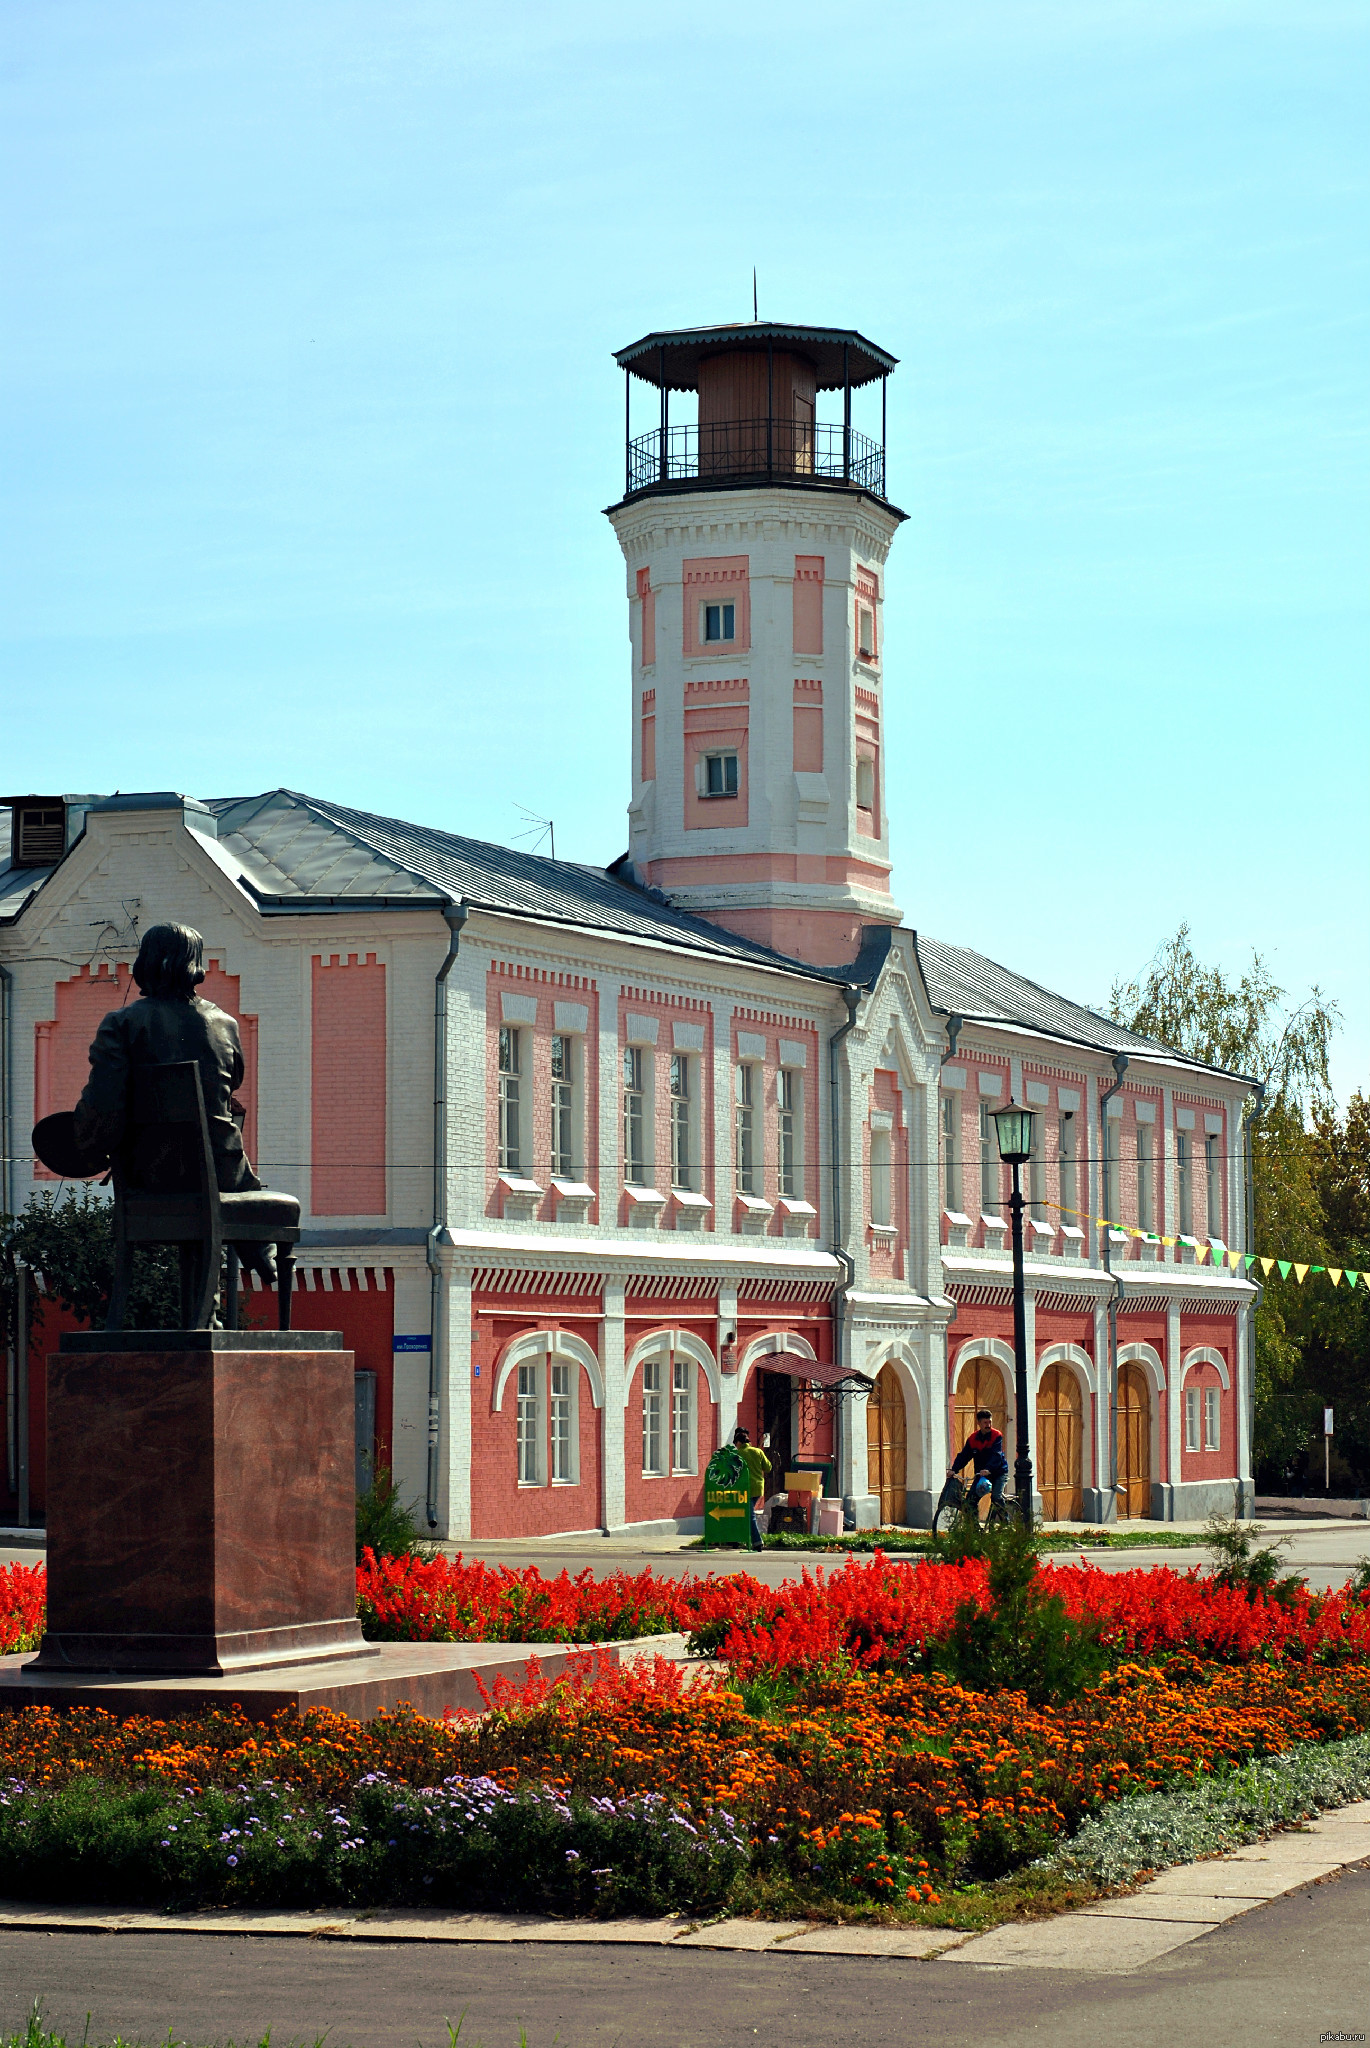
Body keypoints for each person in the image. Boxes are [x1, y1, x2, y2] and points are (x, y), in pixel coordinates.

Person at [73, 922, 288, 1284]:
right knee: (236, 1174)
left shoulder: (121, 1024)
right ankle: (259, 1251)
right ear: (196, 964)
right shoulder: (224, 1025)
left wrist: (87, 1143)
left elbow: (104, 1104)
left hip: (147, 1174)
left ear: (146, 962)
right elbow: (231, 1084)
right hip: (220, 1173)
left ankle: (242, 1270)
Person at [950, 1407, 1009, 1521]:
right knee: (970, 1500)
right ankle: (974, 1528)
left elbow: (996, 1455)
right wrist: (954, 1469)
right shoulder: (973, 1439)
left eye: (990, 1422)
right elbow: (964, 1456)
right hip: (981, 1475)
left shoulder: (996, 1435)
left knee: (996, 1497)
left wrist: (988, 1468)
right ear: (979, 1423)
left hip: (998, 1473)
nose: (988, 1425)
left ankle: (1006, 1522)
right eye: (985, 1422)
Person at [732, 1426, 771, 1551]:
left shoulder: (737, 1454)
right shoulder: (757, 1451)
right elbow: (768, 1467)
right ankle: (737, 1538)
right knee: (744, 1513)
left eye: (736, 1444)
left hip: (744, 1489)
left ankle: (757, 1541)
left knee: (749, 1515)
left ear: (738, 1442)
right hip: (758, 1488)